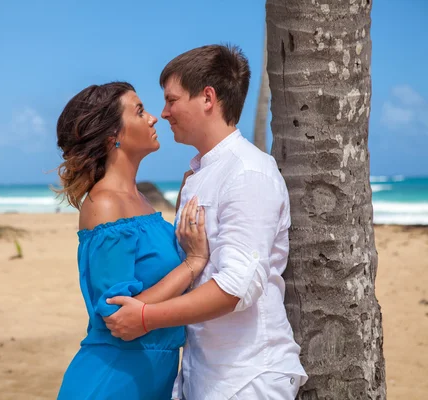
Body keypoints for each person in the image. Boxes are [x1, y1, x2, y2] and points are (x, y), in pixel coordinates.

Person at [104, 45, 308, 399]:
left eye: (172, 100)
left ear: (208, 98)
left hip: (248, 376)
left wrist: (146, 317)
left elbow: (236, 287)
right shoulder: (200, 174)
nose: (164, 113)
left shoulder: (248, 171)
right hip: (206, 374)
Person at [55, 82, 211, 399]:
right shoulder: (106, 205)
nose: (154, 118)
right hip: (112, 380)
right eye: (139, 111)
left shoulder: (138, 200)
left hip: (150, 376)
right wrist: (193, 264)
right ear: (113, 134)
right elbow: (116, 314)